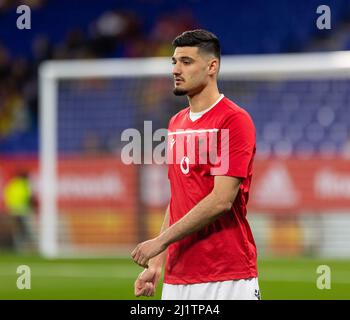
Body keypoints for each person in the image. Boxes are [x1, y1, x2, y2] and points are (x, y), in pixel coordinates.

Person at [131, 29, 260, 300]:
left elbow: (221, 201)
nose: (176, 70)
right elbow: (178, 199)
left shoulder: (234, 120)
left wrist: (159, 242)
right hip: (177, 278)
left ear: (212, 66)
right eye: (174, 62)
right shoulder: (176, 123)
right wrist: (157, 262)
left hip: (226, 275)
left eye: (186, 62)